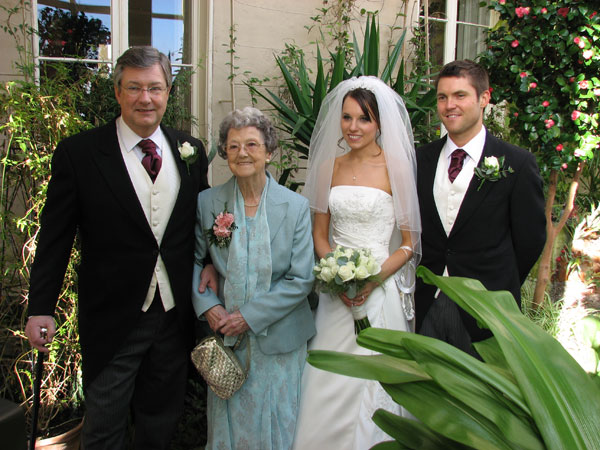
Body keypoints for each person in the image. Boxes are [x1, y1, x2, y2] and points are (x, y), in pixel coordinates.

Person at [24, 46, 213, 449]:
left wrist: (211, 266)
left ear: (168, 92)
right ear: (117, 92)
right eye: (134, 87)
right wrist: (41, 306)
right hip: (112, 317)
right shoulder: (80, 153)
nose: (146, 98)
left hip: (173, 316)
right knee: (104, 425)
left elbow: (200, 224)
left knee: (160, 424)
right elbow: (55, 237)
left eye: (155, 88)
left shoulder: (191, 150)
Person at [293, 76, 421, 449]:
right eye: (347, 117)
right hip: (337, 294)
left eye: (364, 118)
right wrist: (338, 277)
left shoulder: (396, 169)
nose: (353, 127)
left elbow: (410, 243)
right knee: (328, 376)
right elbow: (319, 236)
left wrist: (371, 280)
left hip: (380, 289)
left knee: (376, 376)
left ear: (379, 123)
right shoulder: (327, 168)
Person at [192, 106, 316, 449]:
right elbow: (195, 260)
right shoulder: (208, 202)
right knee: (229, 425)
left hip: (280, 340)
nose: (242, 153)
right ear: (224, 153)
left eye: (251, 145)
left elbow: (301, 278)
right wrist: (208, 306)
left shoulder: (295, 206)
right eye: (233, 146)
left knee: (279, 423)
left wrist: (248, 317)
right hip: (227, 340)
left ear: (269, 152)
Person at [415, 59, 546, 355]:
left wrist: (496, 282)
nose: (449, 105)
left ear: (484, 98)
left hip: (485, 311)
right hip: (426, 304)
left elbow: (531, 239)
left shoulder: (517, 163)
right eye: (442, 97)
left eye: (460, 95)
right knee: (423, 382)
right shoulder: (420, 159)